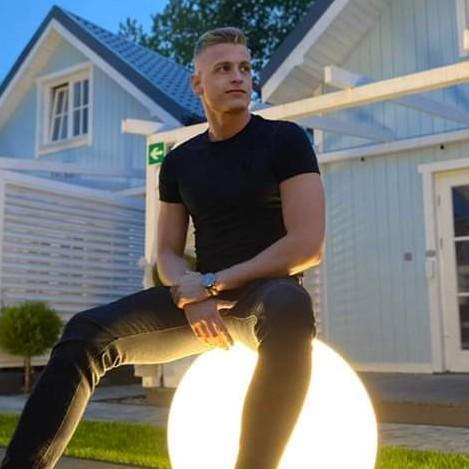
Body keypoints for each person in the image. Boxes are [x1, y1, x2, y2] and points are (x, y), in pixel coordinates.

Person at [1, 27, 325, 469]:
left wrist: (209, 284)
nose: (238, 77)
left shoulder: (285, 140)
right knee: (84, 333)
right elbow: (167, 254)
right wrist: (189, 294)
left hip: (263, 300)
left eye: (245, 68)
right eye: (223, 68)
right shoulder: (179, 162)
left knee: (291, 305)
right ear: (198, 83)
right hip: (201, 303)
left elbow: (307, 244)